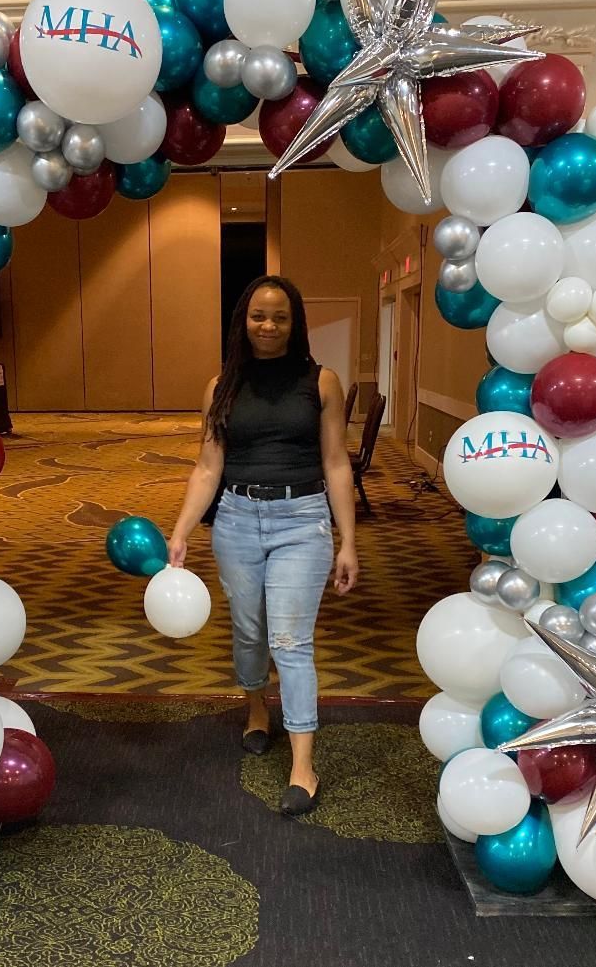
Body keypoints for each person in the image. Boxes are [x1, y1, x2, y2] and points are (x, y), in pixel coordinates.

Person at [168, 275, 358, 816]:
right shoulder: (220, 386)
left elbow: (336, 463)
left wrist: (349, 541)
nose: (268, 326)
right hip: (235, 518)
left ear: (295, 323)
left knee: (290, 640)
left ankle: (303, 764)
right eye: (258, 316)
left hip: (302, 520)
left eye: (280, 317)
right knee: (249, 629)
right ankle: (256, 708)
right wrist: (181, 529)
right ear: (242, 322)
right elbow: (209, 466)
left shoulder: (321, 382)